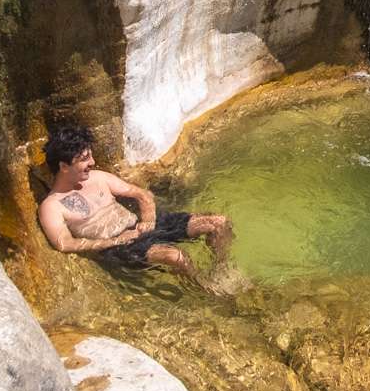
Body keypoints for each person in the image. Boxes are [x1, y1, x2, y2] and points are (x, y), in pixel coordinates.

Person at [35, 123, 234, 286]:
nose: (93, 162)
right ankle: (206, 290)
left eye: (91, 156)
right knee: (176, 257)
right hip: (119, 247)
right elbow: (65, 244)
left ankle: (222, 271)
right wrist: (116, 241)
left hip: (141, 224)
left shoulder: (98, 177)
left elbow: (142, 194)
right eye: (85, 159)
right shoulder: (52, 206)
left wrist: (148, 219)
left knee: (218, 222)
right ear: (63, 166)